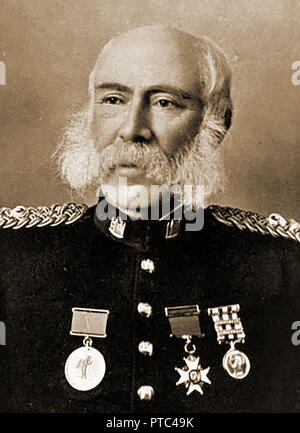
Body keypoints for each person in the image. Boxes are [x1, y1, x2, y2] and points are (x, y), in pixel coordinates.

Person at [0, 25, 299, 413]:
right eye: (112, 99)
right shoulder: (11, 257)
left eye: (165, 103)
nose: (132, 130)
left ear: (217, 123)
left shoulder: (283, 268)